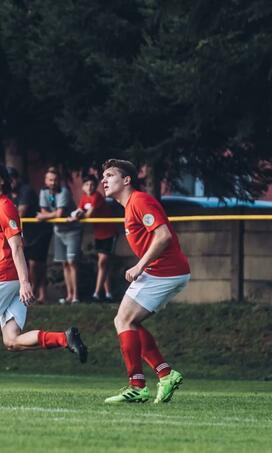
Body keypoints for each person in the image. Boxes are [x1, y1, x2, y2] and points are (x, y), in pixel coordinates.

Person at [0, 161, 88, 394]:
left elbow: (17, 247)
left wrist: (25, 283)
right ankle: (65, 338)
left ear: (3, 181)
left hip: (5, 275)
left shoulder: (6, 207)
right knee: (12, 341)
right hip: (10, 277)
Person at [101, 159, 189, 403]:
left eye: (110, 175)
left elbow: (163, 236)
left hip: (165, 270)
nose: (104, 180)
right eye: (103, 176)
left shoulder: (139, 200)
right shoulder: (130, 206)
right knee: (129, 322)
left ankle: (138, 386)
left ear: (127, 179)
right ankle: (165, 374)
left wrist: (140, 265)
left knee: (123, 319)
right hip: (164, 270)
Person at [69, 175, 119, 301]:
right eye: (87, 185)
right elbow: (78, 210)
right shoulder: (84, 198)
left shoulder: (97, 196)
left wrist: (76, 217)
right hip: (98, 234)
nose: (89, 187)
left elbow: (88, 214)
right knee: (103, 263)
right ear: (83, 187)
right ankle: (108, 294)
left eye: (92, 184)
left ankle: (96, 294)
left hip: (109, 233)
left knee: (102, 262)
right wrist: (75, 215)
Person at [37, 167, 82, 304]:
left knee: (72, 263)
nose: (53, 182)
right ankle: (69, 295)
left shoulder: (64, 192)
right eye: (50, 179)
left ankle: (75, 296)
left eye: (55, 180)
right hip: (58, 231)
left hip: (72, 230)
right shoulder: (43, 192)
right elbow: (45, 211)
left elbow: (58, 214)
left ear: (59, 181)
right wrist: (47, 215)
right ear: (46, 180)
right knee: (64, 264)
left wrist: (44, 216)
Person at [8, 167, 51, 304]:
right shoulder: (8, 194)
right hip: (26, 234)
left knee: (35, 264)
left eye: (12, 179)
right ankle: (39, 295)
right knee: (34, 264)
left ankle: (33, 293)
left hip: (40, 232)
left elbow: (20, 213)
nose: (10, 182)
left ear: (17, 179)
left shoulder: (26, 190)